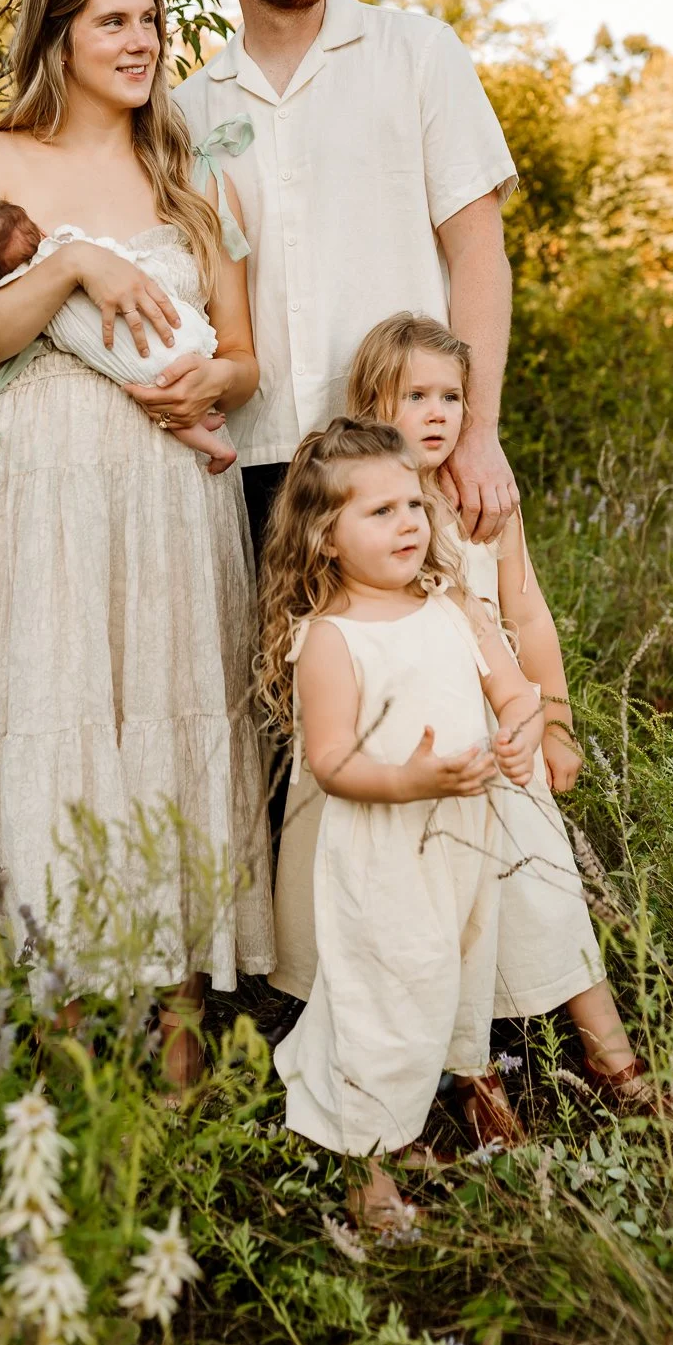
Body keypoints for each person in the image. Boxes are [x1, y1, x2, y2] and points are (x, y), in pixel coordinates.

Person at [0, 0, 274, 1092]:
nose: (141, 39)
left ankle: (175, 1041)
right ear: (59, 34)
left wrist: (213, 384)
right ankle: (64, 1039)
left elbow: (246, 356)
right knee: (59, 709)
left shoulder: (188, 176)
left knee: (165, 719)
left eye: (152, 19)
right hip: (43, 486)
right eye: (113, 20)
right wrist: (70, 266)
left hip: (167, 487)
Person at [341, 312, 671, 1113]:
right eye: (413, 394)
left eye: (450, 396)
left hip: (509, 730)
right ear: (370, 403)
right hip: (425, 743)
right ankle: (473, 1079)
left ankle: (613, 1059)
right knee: (449, 913)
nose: (434, 413)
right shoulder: (369, 502)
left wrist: (555, 723)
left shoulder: (485, 494)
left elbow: (527, 615)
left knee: (546, 890)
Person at [172, 0, 520, 576]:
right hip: (258, 466)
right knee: (285, 689)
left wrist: (477, 433)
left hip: (406, 461)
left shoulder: (418, 54)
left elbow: (478, 256)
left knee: (445, 680)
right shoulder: (186, 111)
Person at [256, 419, 543, 1228]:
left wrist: (519, 741)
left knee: (444, 992)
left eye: (413, 504)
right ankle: (365, 1169)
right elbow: (331, 764)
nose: (410, 524)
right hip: (381, 853)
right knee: (386, 1003)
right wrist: (413, 777)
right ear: (323, 539)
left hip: (462, 846)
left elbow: (516, 696)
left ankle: (398, 1119)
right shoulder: (331, 642)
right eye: (379, 513)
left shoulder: (450, 608)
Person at [0, 195, 238, 472]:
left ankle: (210, 440)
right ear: (39, 231)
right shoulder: (63, 246)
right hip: (161, 335)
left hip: (124, 366)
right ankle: (208, 434)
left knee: (160, 394)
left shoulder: (17, 288)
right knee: (164, 392)